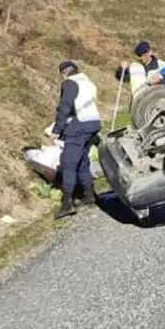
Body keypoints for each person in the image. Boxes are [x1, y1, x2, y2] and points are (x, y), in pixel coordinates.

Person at [49, 60, 102, 219]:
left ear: (63, 73)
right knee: (82, 160)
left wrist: (57, 130)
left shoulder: (70, 83)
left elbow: (65, 106)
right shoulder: (88, 82)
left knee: (68, 162)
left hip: (79, 126)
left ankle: (67, 203)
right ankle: (89, 195)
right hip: (94, 123)